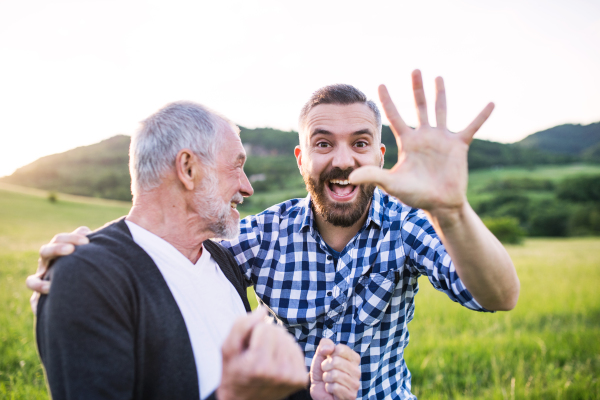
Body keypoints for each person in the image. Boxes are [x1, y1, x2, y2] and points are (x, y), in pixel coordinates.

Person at [29, 71, 520, 399]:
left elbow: (499, 295)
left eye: (361, 144)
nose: (344, 160)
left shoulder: (408, 223)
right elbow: (169, 245)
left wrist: (451, 209)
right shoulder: (262, 236)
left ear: (380, 158)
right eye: (323, 144)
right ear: (302, 159)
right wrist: (83, 262)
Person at [34, 101, 361, 400]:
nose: (247, 186)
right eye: (236, 166)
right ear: (188, 168)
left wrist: (310, 395)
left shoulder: (221, 261)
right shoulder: (87, 278)